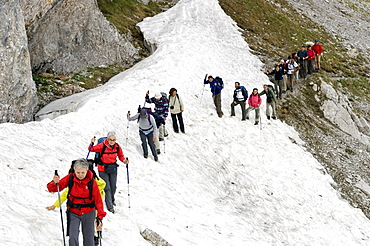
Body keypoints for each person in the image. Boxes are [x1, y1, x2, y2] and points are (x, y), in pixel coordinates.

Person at [47, 159, 106, 246]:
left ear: (87, 170)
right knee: (73, 235)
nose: (80, 175)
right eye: (78, 172)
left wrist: (100, 217)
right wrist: (54, 183)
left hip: (89, 211)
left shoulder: (91, 181)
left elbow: (98, 200)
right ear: (74, 170)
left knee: (89, 236)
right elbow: (54, 188)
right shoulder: (70, 178)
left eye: (83, 172)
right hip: (73, 211)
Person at [89, 131, 129, 214]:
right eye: (110, 139)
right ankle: (110, 206)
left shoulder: (117, 147)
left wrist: (124, 161)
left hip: (113, 168)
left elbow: (121, 156)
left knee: (113, 186)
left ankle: (111, 199)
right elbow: (91, 149)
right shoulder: (102, 145)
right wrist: (92, 143)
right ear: (107, 139)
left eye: (114, 140)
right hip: (102, 169)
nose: (112, 141)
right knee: (107, 188)